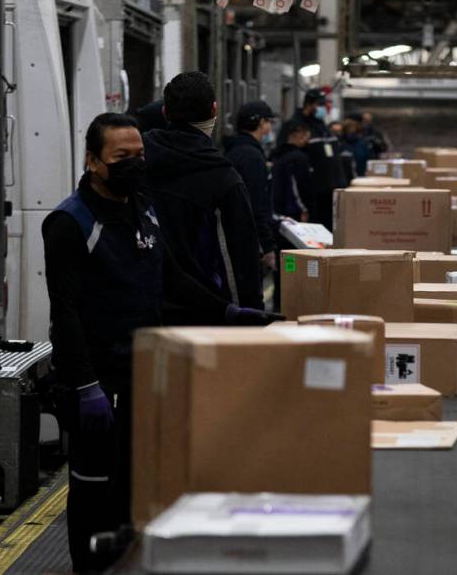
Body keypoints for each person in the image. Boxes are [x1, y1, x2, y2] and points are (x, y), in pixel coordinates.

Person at [43, 113, 280, 573]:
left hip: (142, 371)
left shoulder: (143, 205)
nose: (134, 164)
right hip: (98, 379)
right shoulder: (70, 223)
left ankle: (123, 562)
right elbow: (64, 312)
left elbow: (170, 276)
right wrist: (86, 385)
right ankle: (88, 568)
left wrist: (224, 311)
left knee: (134, 484)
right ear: (93, 161)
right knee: (96, 485)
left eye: (139, 155)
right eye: (120, 157)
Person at [142, 72, 264, 320]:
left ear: (165, 112)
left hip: (142, 308)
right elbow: (239, 258)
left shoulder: (138, 163)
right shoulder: (223, 179)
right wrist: (250, 316)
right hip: (204, 317)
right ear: (214, 110)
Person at [277, 88, 347, 230]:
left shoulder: (322, 125)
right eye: (320, 105)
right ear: (309, 104)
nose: (324, 108)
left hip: (330, 191)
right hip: (312, 194)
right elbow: (288, 157)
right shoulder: (295, 126)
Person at [223, 100, 278, 273]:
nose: (270, 127)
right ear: (261, 123)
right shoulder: (252, 157)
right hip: (247, 241)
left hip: (234, 236)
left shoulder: (235, 150)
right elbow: (256, 203)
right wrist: (267, 245)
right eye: (269, 122)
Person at [271, 120, 313, 222]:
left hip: (278, 209)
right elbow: (297, 186)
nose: (307, 141)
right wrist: (304, 209)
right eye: (306, 138)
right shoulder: (298, 158)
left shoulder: (278, 155)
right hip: (294, 211)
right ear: (298, 136)